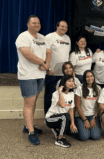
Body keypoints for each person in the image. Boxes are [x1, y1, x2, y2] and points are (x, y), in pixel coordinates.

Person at [15, 15, 51, 145]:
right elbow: (27, 54)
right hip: (28, 75)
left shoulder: (42, 37)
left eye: (38, 23)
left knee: (33, 101)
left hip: (40, 75)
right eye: (34, 23)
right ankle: (31, 132)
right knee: (29, 103)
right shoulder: (23, 37)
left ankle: (28, 126)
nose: (37, 25)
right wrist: (43, 62)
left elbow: (48, 52)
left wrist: (46, 65)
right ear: (28, 24)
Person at [44, 20, 71, 114]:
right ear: (57, 26)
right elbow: (43, 53)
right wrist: (48, 68)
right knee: (50, 95)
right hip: (52, 73)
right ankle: (48, 117)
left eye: (66, 27)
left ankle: (59, 115)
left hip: (64, 74)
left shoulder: (67, 38)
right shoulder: (49, 37)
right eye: (62, 26)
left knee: (62, 96)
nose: (64, 28)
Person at [45, 75, 78, 148]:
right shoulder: (56, 94)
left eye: (72, 81)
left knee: (75, 133)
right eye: (69, 81)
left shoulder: (71, 94)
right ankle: (59, 139)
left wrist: (72, 123)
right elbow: (62, 105)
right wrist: (60, 93)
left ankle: (57, 129)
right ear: (63, 83)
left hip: (63, 118)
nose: (71, 83)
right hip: (50, 118)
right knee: (65, 116)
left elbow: (71, 110)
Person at [75, 70, 101, 141]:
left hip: (93, 116)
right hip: (81, 116)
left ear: (94, 77)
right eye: (87, 77)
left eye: (91, 76)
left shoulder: (98, 88)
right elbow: (77, 106)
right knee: (84, 137)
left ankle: (90, 129)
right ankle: (78, 127)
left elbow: (99, 106)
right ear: (84, 78)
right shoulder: (79, 88)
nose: (90, 78)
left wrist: (94, 117)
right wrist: (85, 120)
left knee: (95, 136)